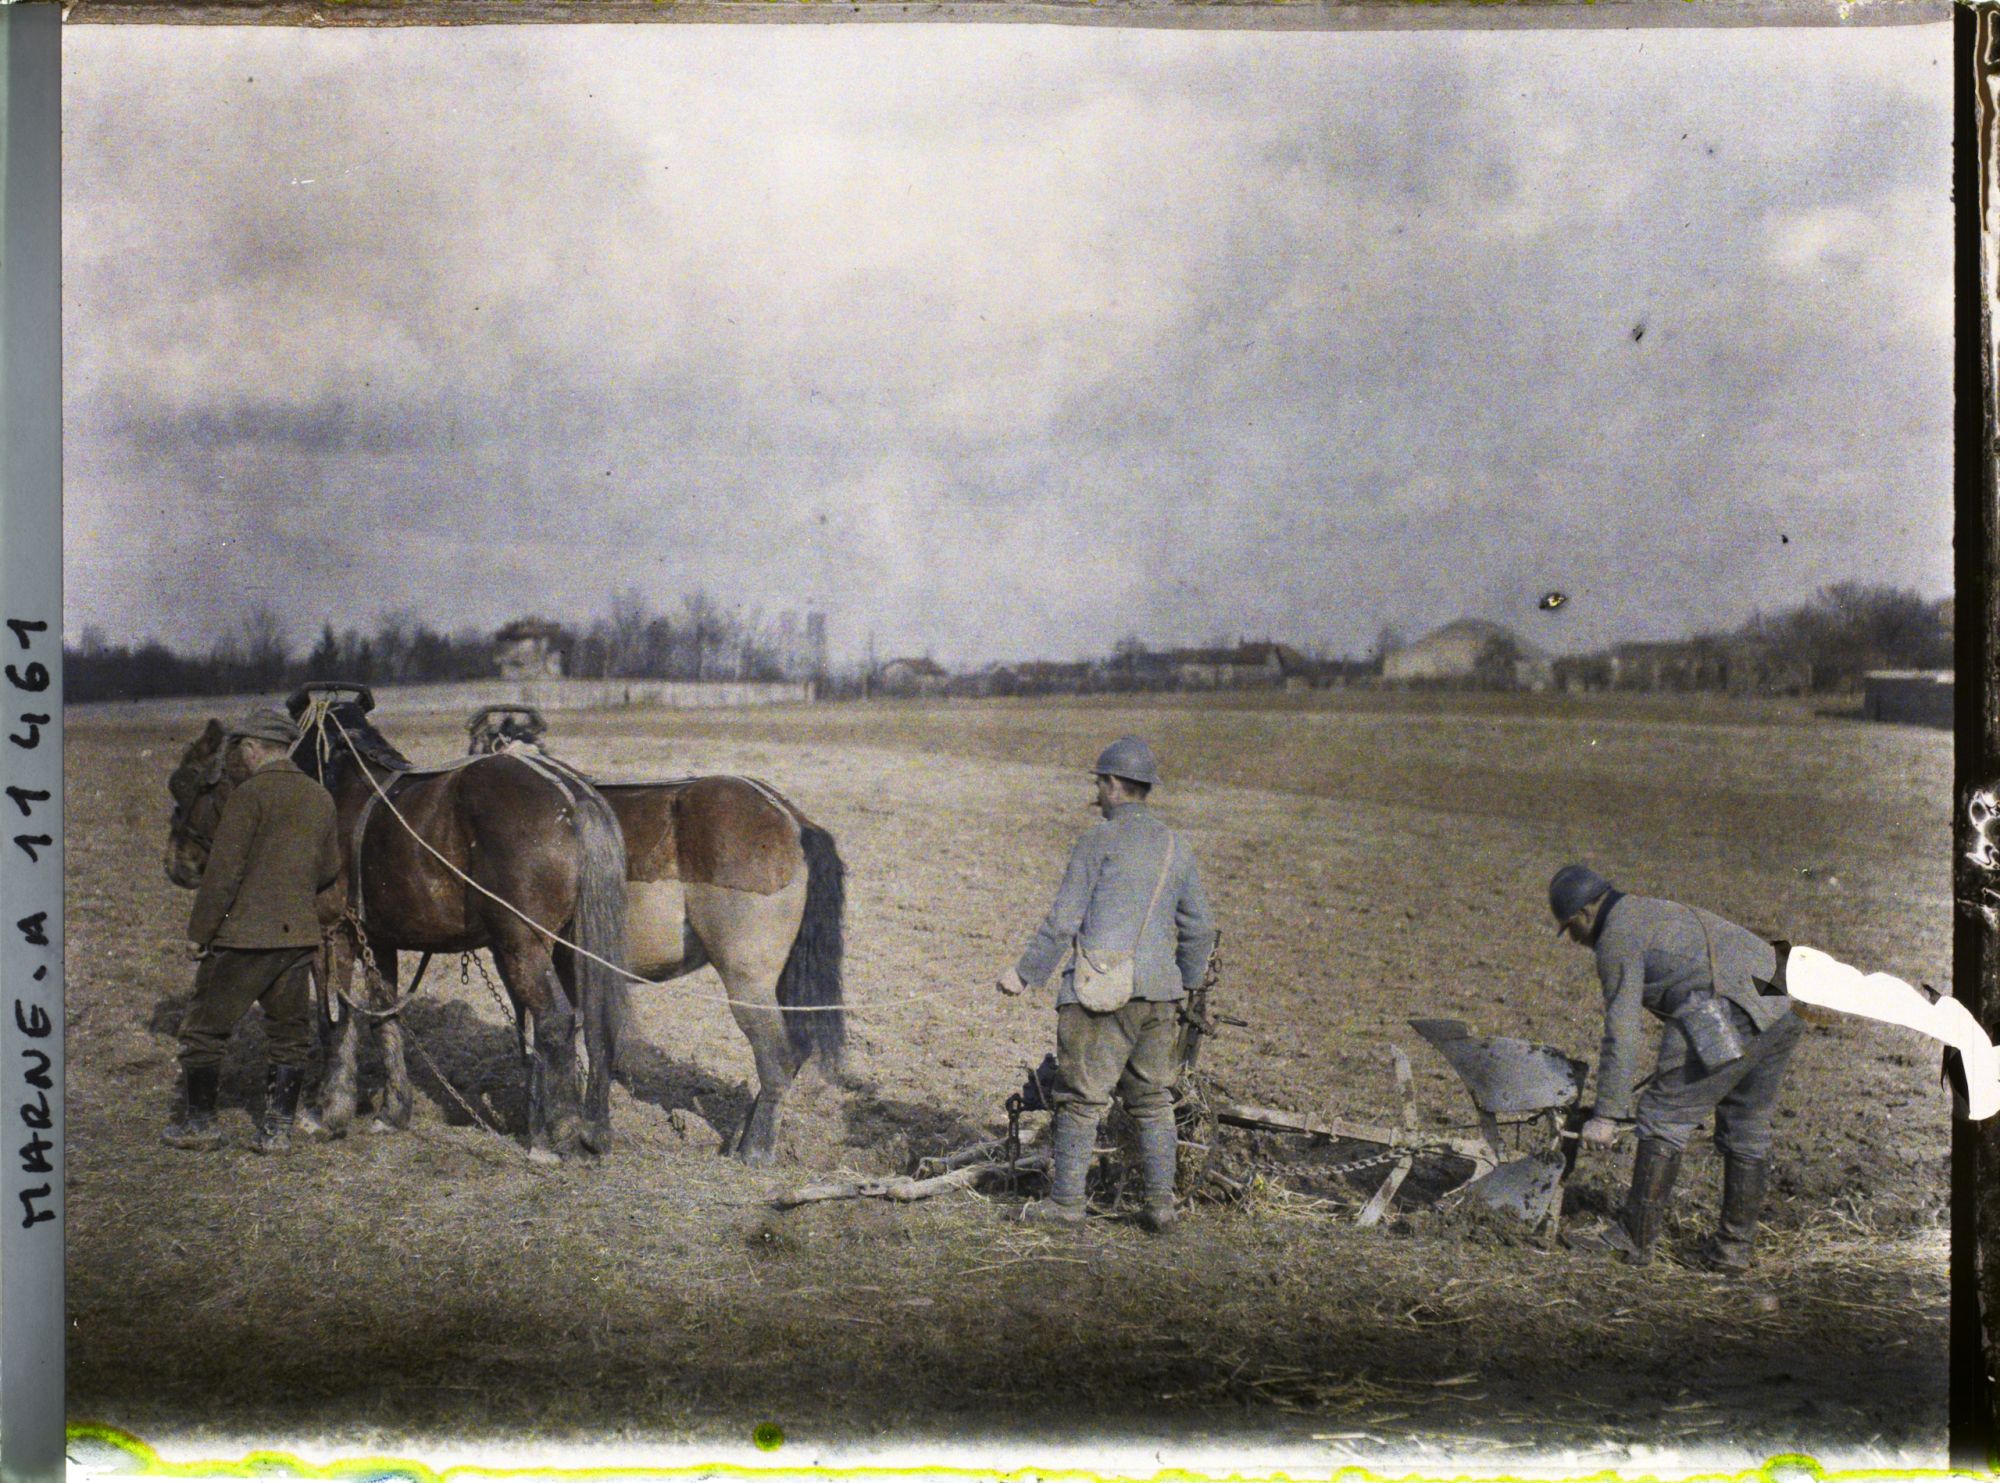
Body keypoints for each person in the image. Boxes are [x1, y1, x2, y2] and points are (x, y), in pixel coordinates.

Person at [996, 736, 1217, 1232]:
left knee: (1079, 1098)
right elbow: (1200, 928)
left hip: (1100, 993)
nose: (1097, 792)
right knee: (1153, 1100)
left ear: (1115, 785)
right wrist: (1184, 982)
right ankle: (1160, 1207)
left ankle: (1066, 1205)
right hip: (1161, 995)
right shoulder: (1176, 846)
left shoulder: (1096, 841)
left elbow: (1063, 921)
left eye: (1100, 783)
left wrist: (1023, 974)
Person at [1550, 863, 1803, 1272]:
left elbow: (1622, 1031)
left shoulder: (1616, 935)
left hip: (1727, 1006)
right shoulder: (1646, 910)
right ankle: (1734, 1250)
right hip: (1784, 1004)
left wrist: (1606, 1115)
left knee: (1662, 1114)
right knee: (1746, 1124)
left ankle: (1633, 1240)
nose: (1575, 939)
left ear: (1584, 912)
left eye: (1571, 929)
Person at [162, 708, 341, 1156]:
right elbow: (329, 868)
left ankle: (200, 1125)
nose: (239, 755)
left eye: (241, 748)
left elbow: (222, 875)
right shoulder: (320, 796)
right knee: (289, 1037)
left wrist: (200, 932)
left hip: (243, 938)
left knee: (204, 1030)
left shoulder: (247, 796)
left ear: (254, 747)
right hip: (297, 937)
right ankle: (277, 1132)